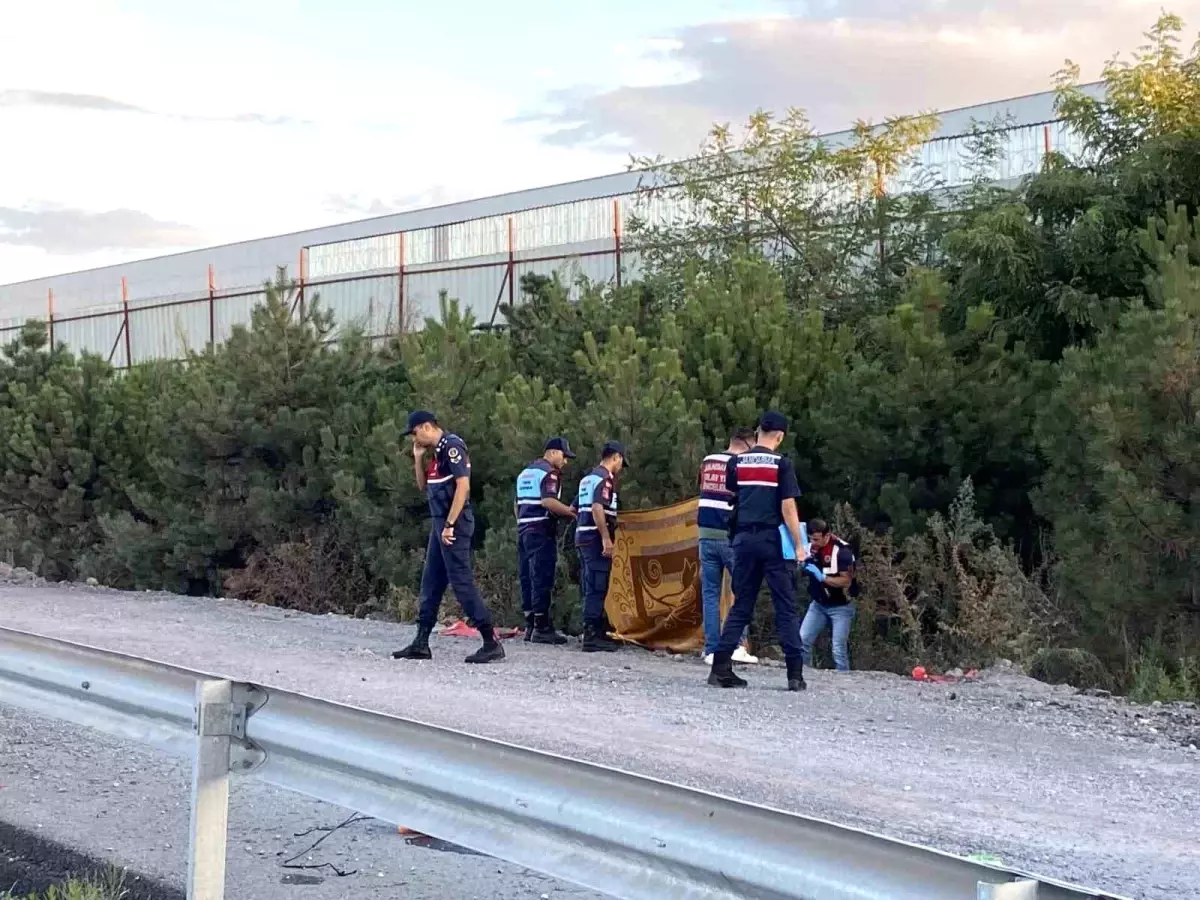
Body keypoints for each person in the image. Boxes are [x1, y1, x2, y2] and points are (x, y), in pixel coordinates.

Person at [392, 410, 504, 664]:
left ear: (426, 426)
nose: (414, 437)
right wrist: (418, 459)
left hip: (454, 524)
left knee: (461, 582)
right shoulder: (436, 454)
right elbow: (423, 487)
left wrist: (451, 524)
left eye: (414, 432)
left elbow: (463, 486)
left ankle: (490, 641)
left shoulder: (452, 446)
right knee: (431, 582)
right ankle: (421, 642)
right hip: (439, 525)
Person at [707, 411, 807, 692]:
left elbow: (734, 493)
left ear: (758, 431)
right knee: (785, 606)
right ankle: (795, 675)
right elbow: (788, 507)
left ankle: (720, 668)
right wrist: (800, 545)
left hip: (742, 540)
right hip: (772, 541)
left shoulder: (737, 462)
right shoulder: (782, 464)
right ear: (780, 436)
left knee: (741, 605)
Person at [697, 426, 759, 665]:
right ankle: (735, 645)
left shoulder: (708, 460)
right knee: (742, 591)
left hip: (705, 532)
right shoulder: (742, 463)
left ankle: (711, 650)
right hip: (730, 535)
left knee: (710, 594)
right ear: (747, 441)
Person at [515, 437, 577, 645]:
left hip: (524, 529)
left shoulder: (525, 473)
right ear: (553, 452)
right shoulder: (549, 473)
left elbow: (516, 504)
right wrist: (570, 513)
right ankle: (542, 627)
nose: (565, 462)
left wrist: (521, 523)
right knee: (542, 577)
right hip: (541, 528)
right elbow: (548, 501)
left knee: (527, 577)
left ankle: (530, 625)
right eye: (564, 456)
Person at [574, 441, 627, 653]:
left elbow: (573, 506)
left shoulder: (587, 479)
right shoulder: (605, 479)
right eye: (622, 462)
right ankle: (591, 636)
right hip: (595, 539)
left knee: (589, 586)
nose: (621, 467)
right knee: (597, 586)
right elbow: (597, 507)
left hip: (582, 537)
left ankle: (595, 630)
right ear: (616, 457)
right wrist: (606, 537)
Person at [799, 519, 858, 672]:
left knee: (838, 648)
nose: (814, 542)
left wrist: (823, 578)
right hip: (818, 604)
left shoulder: (842, 551)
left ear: (827, 536)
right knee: (803, 640)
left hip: (841, 607)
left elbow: (846, 581)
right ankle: (805, 673)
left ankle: (844, 679)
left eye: (817, 539)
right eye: (811, 539)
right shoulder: (810, 548)